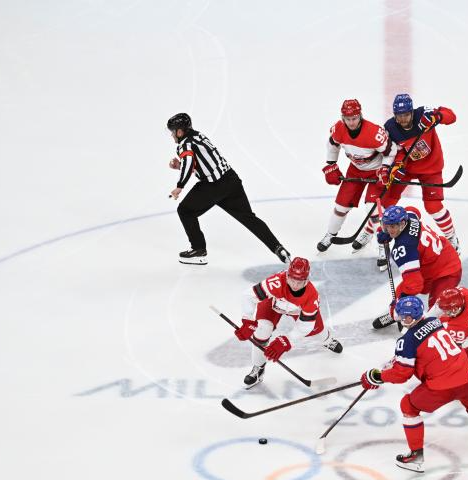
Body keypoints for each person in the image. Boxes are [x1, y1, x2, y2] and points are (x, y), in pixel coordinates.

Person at [360, 295, 468, 472]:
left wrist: (377, 376)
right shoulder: (435, 321)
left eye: (405, 317)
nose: (402, 319)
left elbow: (402, 374)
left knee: (408, 406)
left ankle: (415, 456)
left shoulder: (406, 342)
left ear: (412, 317)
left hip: (441, 387)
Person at [166, 112, 291, 265]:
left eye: (173, 132)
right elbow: (202, 162)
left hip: (213, 186)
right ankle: (278, 248)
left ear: (180, 131)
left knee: (185, 211)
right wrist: (180, 166)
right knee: (249, 218)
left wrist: (179, 186)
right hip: (231, 180)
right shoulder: (199, 136)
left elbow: (189, 162)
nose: (172, 135)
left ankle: (198, 250)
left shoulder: (185, 144)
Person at [234, 257, 342, 388]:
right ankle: (258, 368)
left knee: (318, 333)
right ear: (287, 276)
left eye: (300, 281)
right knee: (262, 330)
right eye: (292, 280)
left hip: (297, 310)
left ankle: (327, 340)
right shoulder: (276, 282)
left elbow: (306, 326)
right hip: (273, 303)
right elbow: (248, 295)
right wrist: (248, 320)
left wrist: (287, 340)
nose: (295, 285)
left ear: (306, 280)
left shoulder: (311, 295)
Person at [318, 99, 396, 270]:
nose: (351, 122)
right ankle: (330, 235)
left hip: (376, 170)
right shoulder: (338, 129)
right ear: (343, 118)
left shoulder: (374, 133)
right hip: (355, 169)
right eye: (348, 119)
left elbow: (391, 151)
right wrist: (331, 164)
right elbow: (332, 145)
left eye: (354, 118)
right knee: (341, 205)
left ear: (360, 115)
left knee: (372, 208)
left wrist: (385, 168)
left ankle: (383, 246)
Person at [382, 93, 460, 250]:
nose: (403, 119)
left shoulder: (424, 113)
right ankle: (378, 236)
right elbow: (396, 151)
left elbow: (451, 116)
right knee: (386, 200)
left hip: (431, 168)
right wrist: (398, 166)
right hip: (407, 169)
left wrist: (437, 117)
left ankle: (451, 236)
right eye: (399, 116)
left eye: (406, 115)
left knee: (433, 206)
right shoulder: (390, 127)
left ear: (412, 112)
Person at [372, 205, 461, 329]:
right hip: (434, 263)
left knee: (437, 312)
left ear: (402, 224)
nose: (388, 229)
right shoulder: (410, 217)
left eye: (392, 226)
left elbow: (415, 285)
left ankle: (401, 314)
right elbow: (413, 210)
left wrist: (398, 303)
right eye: (386, 226)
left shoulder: (403, 248)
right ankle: (398, 315)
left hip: (447, 271)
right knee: (401, 290)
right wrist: (387, 231)